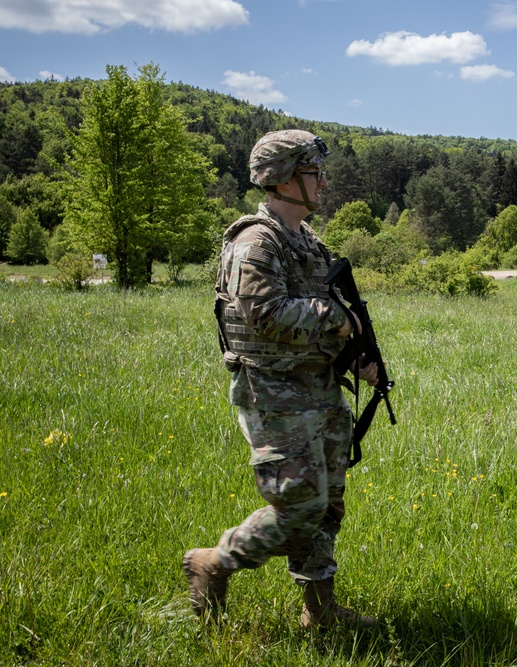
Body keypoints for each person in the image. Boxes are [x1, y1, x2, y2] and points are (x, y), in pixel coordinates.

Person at [184, 129, 379, 628]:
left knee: (327, 505)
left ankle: (321, 614)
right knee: (298, 506)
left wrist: (354, 355)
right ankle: (214, 562)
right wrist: (337, 320)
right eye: (315, 173)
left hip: (317, 387)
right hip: (273, 393)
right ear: (285, 179)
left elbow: (326, 314)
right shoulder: (255, 243)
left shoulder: (306, 241)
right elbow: (265, 315)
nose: (324, 183)